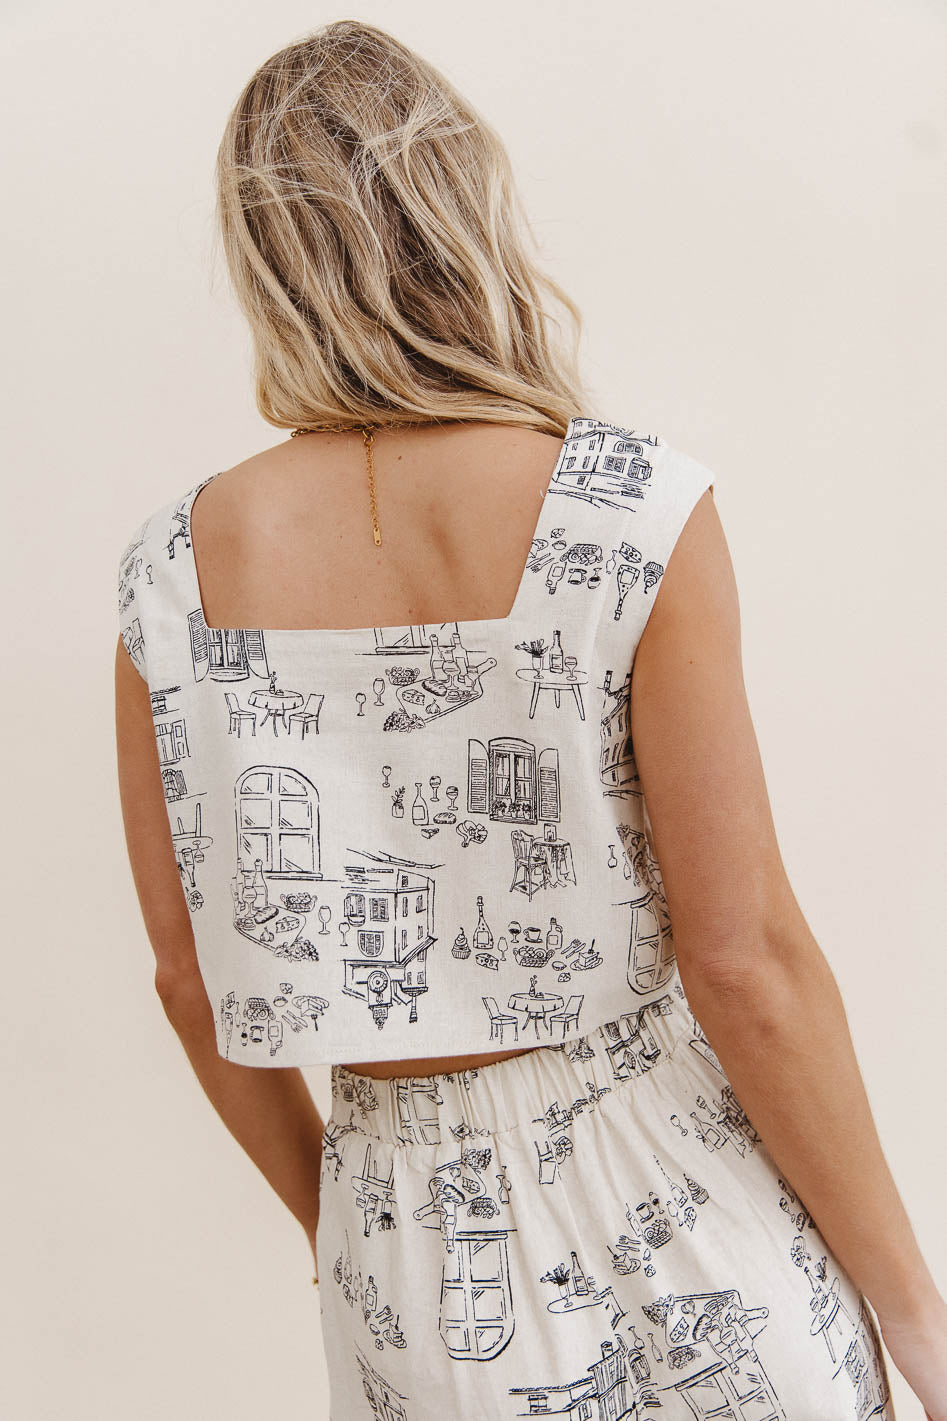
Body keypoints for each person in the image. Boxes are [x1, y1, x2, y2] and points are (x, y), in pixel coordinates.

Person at [114, 19, 946, 1419]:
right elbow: (744, 964)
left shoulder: (171, 572)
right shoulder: (631, 512)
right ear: (465, 212)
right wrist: (918, 1314)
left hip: (408, 1256)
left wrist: (351, 1227)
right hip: (677, 1195)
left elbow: (190, 984)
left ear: (263, 260)